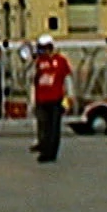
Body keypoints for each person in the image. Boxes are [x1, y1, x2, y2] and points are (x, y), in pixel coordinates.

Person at [31, 35, 74, 163]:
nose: (42, 51)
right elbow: (33, 81)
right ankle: (44, 148)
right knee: (43, 126)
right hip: (41, 99)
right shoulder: (38, 62)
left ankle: (51, 153)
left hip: (56, 99)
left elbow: (67, 78)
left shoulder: (61, 61)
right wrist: (32, 100)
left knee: (54, 127)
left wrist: (70, 96)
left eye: (43, 48)